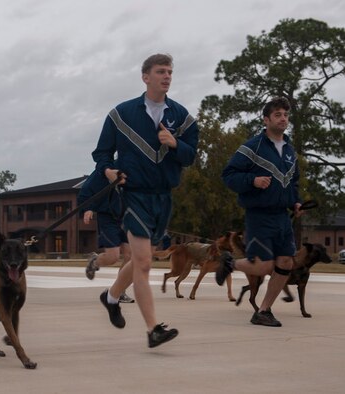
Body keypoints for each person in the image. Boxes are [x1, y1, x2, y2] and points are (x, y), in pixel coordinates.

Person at [92, 54, 199, 348]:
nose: (167, 76)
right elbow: (101, 153)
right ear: (145, 77)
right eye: (161, 72)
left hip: (163, 197)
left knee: (143, 259)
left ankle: (111, 297)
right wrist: (108, 170)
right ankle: (153, 329)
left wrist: (176, 144)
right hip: (134, 195)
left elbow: (191, 156)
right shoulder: (121, 114)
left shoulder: (183, 117)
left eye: (170, 72)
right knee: (143, 262)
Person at [216, 97, 302, 327]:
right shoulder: (252, 147)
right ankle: (229, 264)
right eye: (277, 115)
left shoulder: (290, 151)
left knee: (285, 263)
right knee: (264, 265)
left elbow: (294, 181)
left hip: (282, 217)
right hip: (259, 214)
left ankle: (263, 311)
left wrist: (296, 201)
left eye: (285, 114)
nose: (283, 118)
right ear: (266, 120)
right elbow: (228, 175)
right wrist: (252, 180)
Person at [78, 168, 134, 303]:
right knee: (113, 257)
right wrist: (88, 208)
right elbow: (85, 191)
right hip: (107, 217)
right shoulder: (103, 171)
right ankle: (94, 261)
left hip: (127, 217)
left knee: (131, 257)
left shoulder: (134, 169)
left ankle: (120, 291)